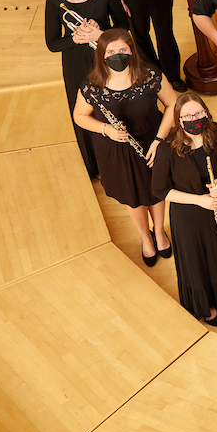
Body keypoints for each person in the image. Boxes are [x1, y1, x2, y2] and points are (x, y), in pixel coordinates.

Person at [73, 29, 178, 266]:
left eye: (122, 50)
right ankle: (146, 239)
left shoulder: (150, 75)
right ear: (101, 55)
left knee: (156, 190)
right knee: (133, 198)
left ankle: (159, 233)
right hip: (115, 149)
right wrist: (106, 130)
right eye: (110, 51)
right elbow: (79, 116)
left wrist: (159, 140)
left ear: (132, 51)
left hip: (151, 142)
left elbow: (173, 105)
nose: (117, 55)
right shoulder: (92, 84)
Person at [152, 92, 217, 325]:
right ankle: (206, 306)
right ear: (178, 119)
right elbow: (160, 191)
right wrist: (200, 200)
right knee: (199, 259)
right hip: (189, 215)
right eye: (187, 115)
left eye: (198, 113)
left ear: (206, 112)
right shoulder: (167, 148)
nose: (194, 118)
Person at [46, 0, 129, 178]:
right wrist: (75, 37)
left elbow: (124, 27)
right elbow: (52, 43)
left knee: (117, 105)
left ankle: (124, 156)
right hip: (75, 64)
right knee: (85, 111)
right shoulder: (53, 0)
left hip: (109, 58)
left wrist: (100, 34)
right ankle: (96, 167)